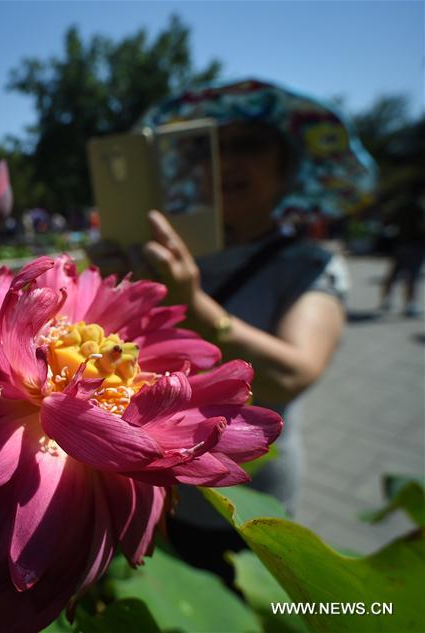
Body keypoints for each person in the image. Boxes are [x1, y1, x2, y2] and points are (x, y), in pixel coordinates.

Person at [92, 78, 377, 583]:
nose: (225, 161)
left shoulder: (311, 265)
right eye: (210, 148)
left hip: (245, 504)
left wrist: (193, 306)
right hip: (147, 489)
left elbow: (293, 374)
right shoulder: (169, 256)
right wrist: (111, 288)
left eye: (248, 145)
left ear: (286, 167)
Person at [379, 182, 425, 317]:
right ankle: (410, 304)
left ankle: (386, 300)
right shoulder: (420, 207)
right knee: (413, 275)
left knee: (394, 272)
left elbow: (387, 221)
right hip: (416, 244)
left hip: (400, 242)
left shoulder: (400, 205)